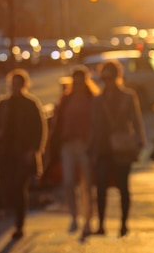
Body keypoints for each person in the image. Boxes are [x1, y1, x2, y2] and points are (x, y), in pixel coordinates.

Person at [0, 68, 47, 240]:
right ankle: (11, 213)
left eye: (18, 84)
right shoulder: (4, 103)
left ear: (24, 85)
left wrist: (33, 150)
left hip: (23, 153)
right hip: (6, 154)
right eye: (13, 84)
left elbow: (39, 129)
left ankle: (19, 225)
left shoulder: (30, 104)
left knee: (20, 188)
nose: (15, 87)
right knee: (6, 186)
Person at [89, 59, 146, 238]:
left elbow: (136, 121)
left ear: (117, 77)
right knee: (101, 185)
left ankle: (123, 224)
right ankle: (101, 224)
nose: (108, 81)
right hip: (103, 147)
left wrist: (139, 141)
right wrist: (91, 148)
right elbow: (93, 125)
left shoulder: (128, 96)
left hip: (122, 147)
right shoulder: (98, 100)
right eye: (104, 77)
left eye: (110, 77)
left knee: (123, 186)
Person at [48, 66, 99, 240]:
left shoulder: (92, 99)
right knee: (69, 182)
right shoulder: (66, 99)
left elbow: (97, 124)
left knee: (87, 185)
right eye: (75, 82)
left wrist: (92, 143)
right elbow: (58, 122)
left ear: (86, 82)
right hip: (68, 145)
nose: (78, 85)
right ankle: (74, 216)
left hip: (85, 146)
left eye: (81, 82)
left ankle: (87, 221)